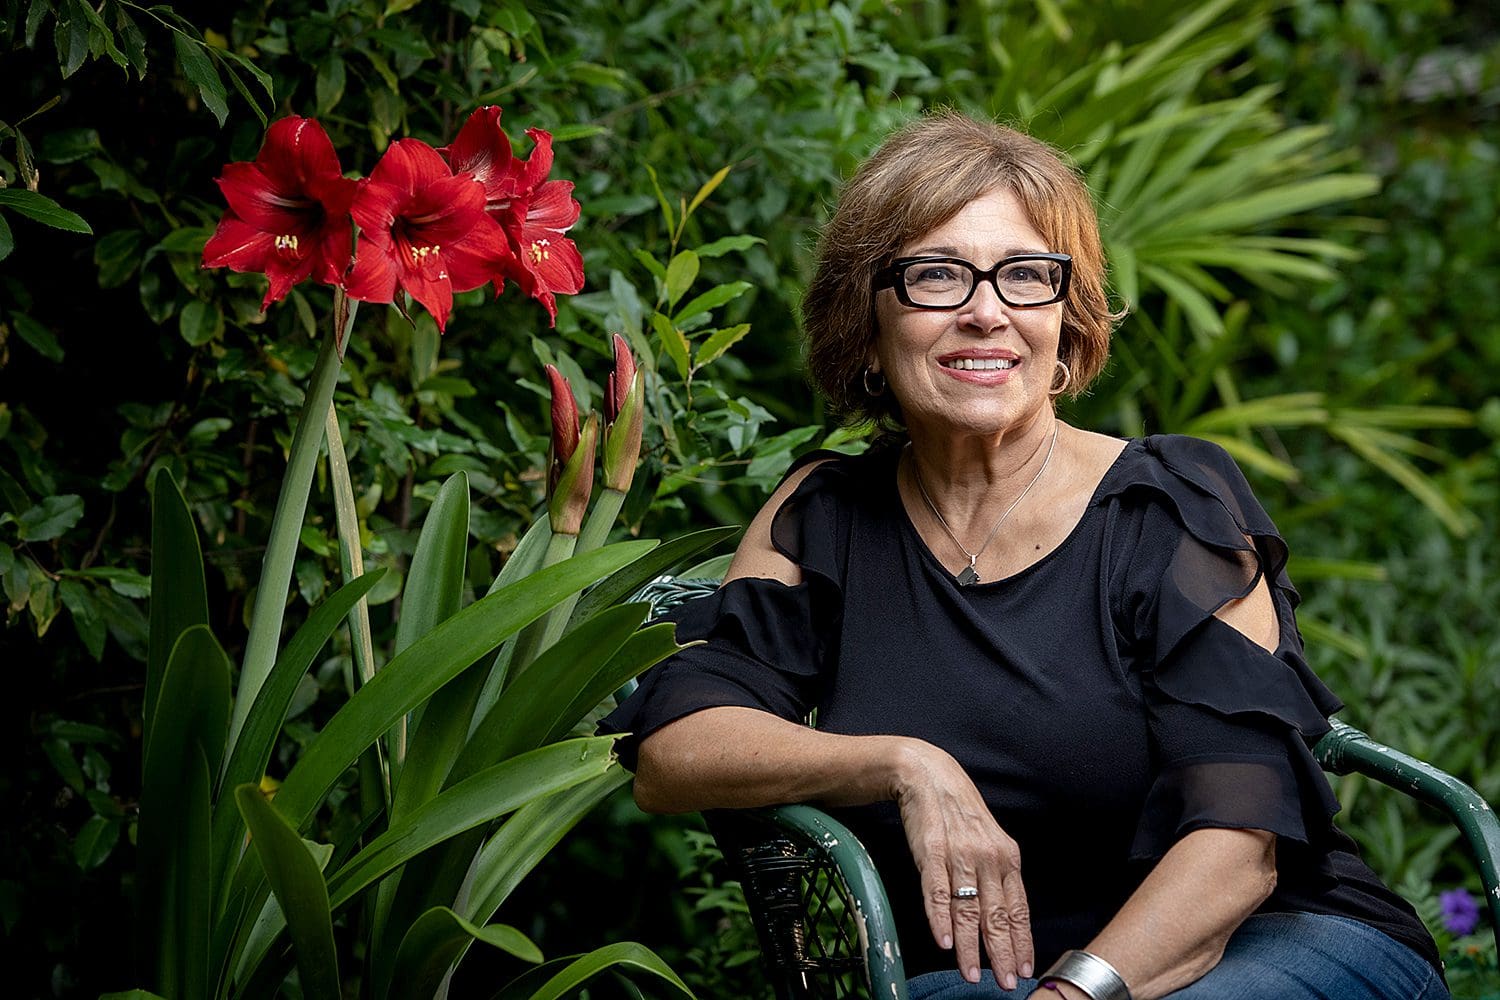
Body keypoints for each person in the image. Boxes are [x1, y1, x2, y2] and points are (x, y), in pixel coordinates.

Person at [600, 112, 1447, 1000]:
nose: (984, 311)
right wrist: (904, 764)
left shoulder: (1171, 508)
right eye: (935, 275)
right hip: (981, 978)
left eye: (1024, 276)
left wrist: (1073, 993)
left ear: (1066, 324)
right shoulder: (830, 518)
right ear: (867, 325)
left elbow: (1237, 849)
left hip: (1262, 946)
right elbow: (676, 752)